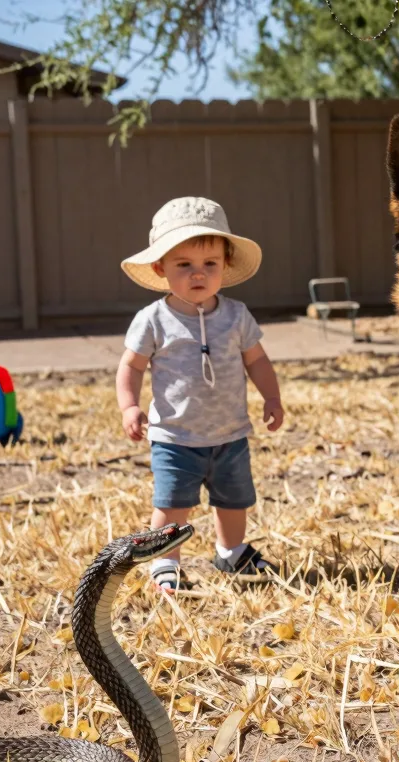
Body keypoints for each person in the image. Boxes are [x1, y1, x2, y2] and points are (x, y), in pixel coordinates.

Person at [115, 197, 284, 591]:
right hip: (176, 437)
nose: (198, 274)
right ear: (161, 269)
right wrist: (129, 406)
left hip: (231, 434)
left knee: (234, 501)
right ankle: (165, 560)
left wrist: (271, 397)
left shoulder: (236, 315)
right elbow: (132, 366)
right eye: (184, 265)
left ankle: (230, 551)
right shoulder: (153, 320)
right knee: (173, 504)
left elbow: (257, 361)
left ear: (224, 265)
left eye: (209, 264)